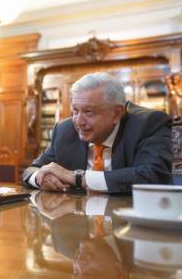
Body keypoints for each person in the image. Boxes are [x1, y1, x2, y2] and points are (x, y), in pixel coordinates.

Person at [22, 72, 172, 194]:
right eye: (75, 110)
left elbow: (153, 175)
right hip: (77, 225)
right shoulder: (64, 130)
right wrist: (40, 178)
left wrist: (78, 178)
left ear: (117, 113)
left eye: (88, 111)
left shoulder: (148, 124)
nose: (78, 121)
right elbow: (30, 170)